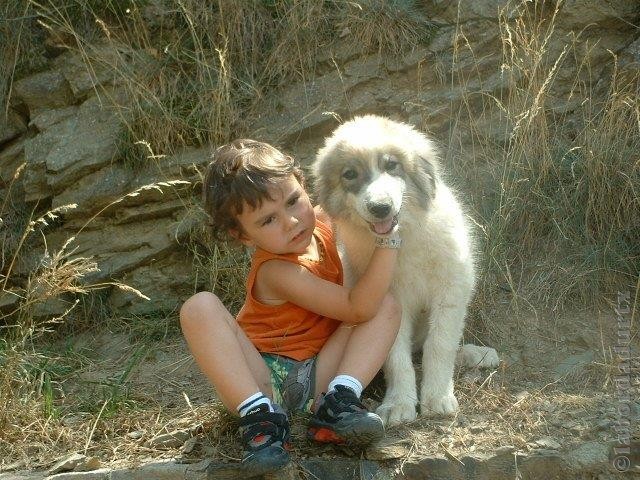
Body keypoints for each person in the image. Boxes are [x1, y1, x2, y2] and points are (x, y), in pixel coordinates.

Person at [180, 139, 401, 477]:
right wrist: (388, 238)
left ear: (303, 183)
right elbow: (356, 308)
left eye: (295, 201)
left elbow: (345, 200)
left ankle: (337, 403)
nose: (292, 221)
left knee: (387, 305)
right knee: (200, 307)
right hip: (262, 380)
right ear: (241, 235)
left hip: (318, 378)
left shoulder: (322, 224)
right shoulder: (277, 271)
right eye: (268, 220)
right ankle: (259, 421)